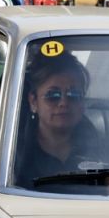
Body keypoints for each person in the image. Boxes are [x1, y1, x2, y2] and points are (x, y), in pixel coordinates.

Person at [17, 49, 100, 180]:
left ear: (83, 101)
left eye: (74, 95)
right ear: (33, 101)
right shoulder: (13, 155)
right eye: (52, 95)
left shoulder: (103, 151)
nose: (63, 103)